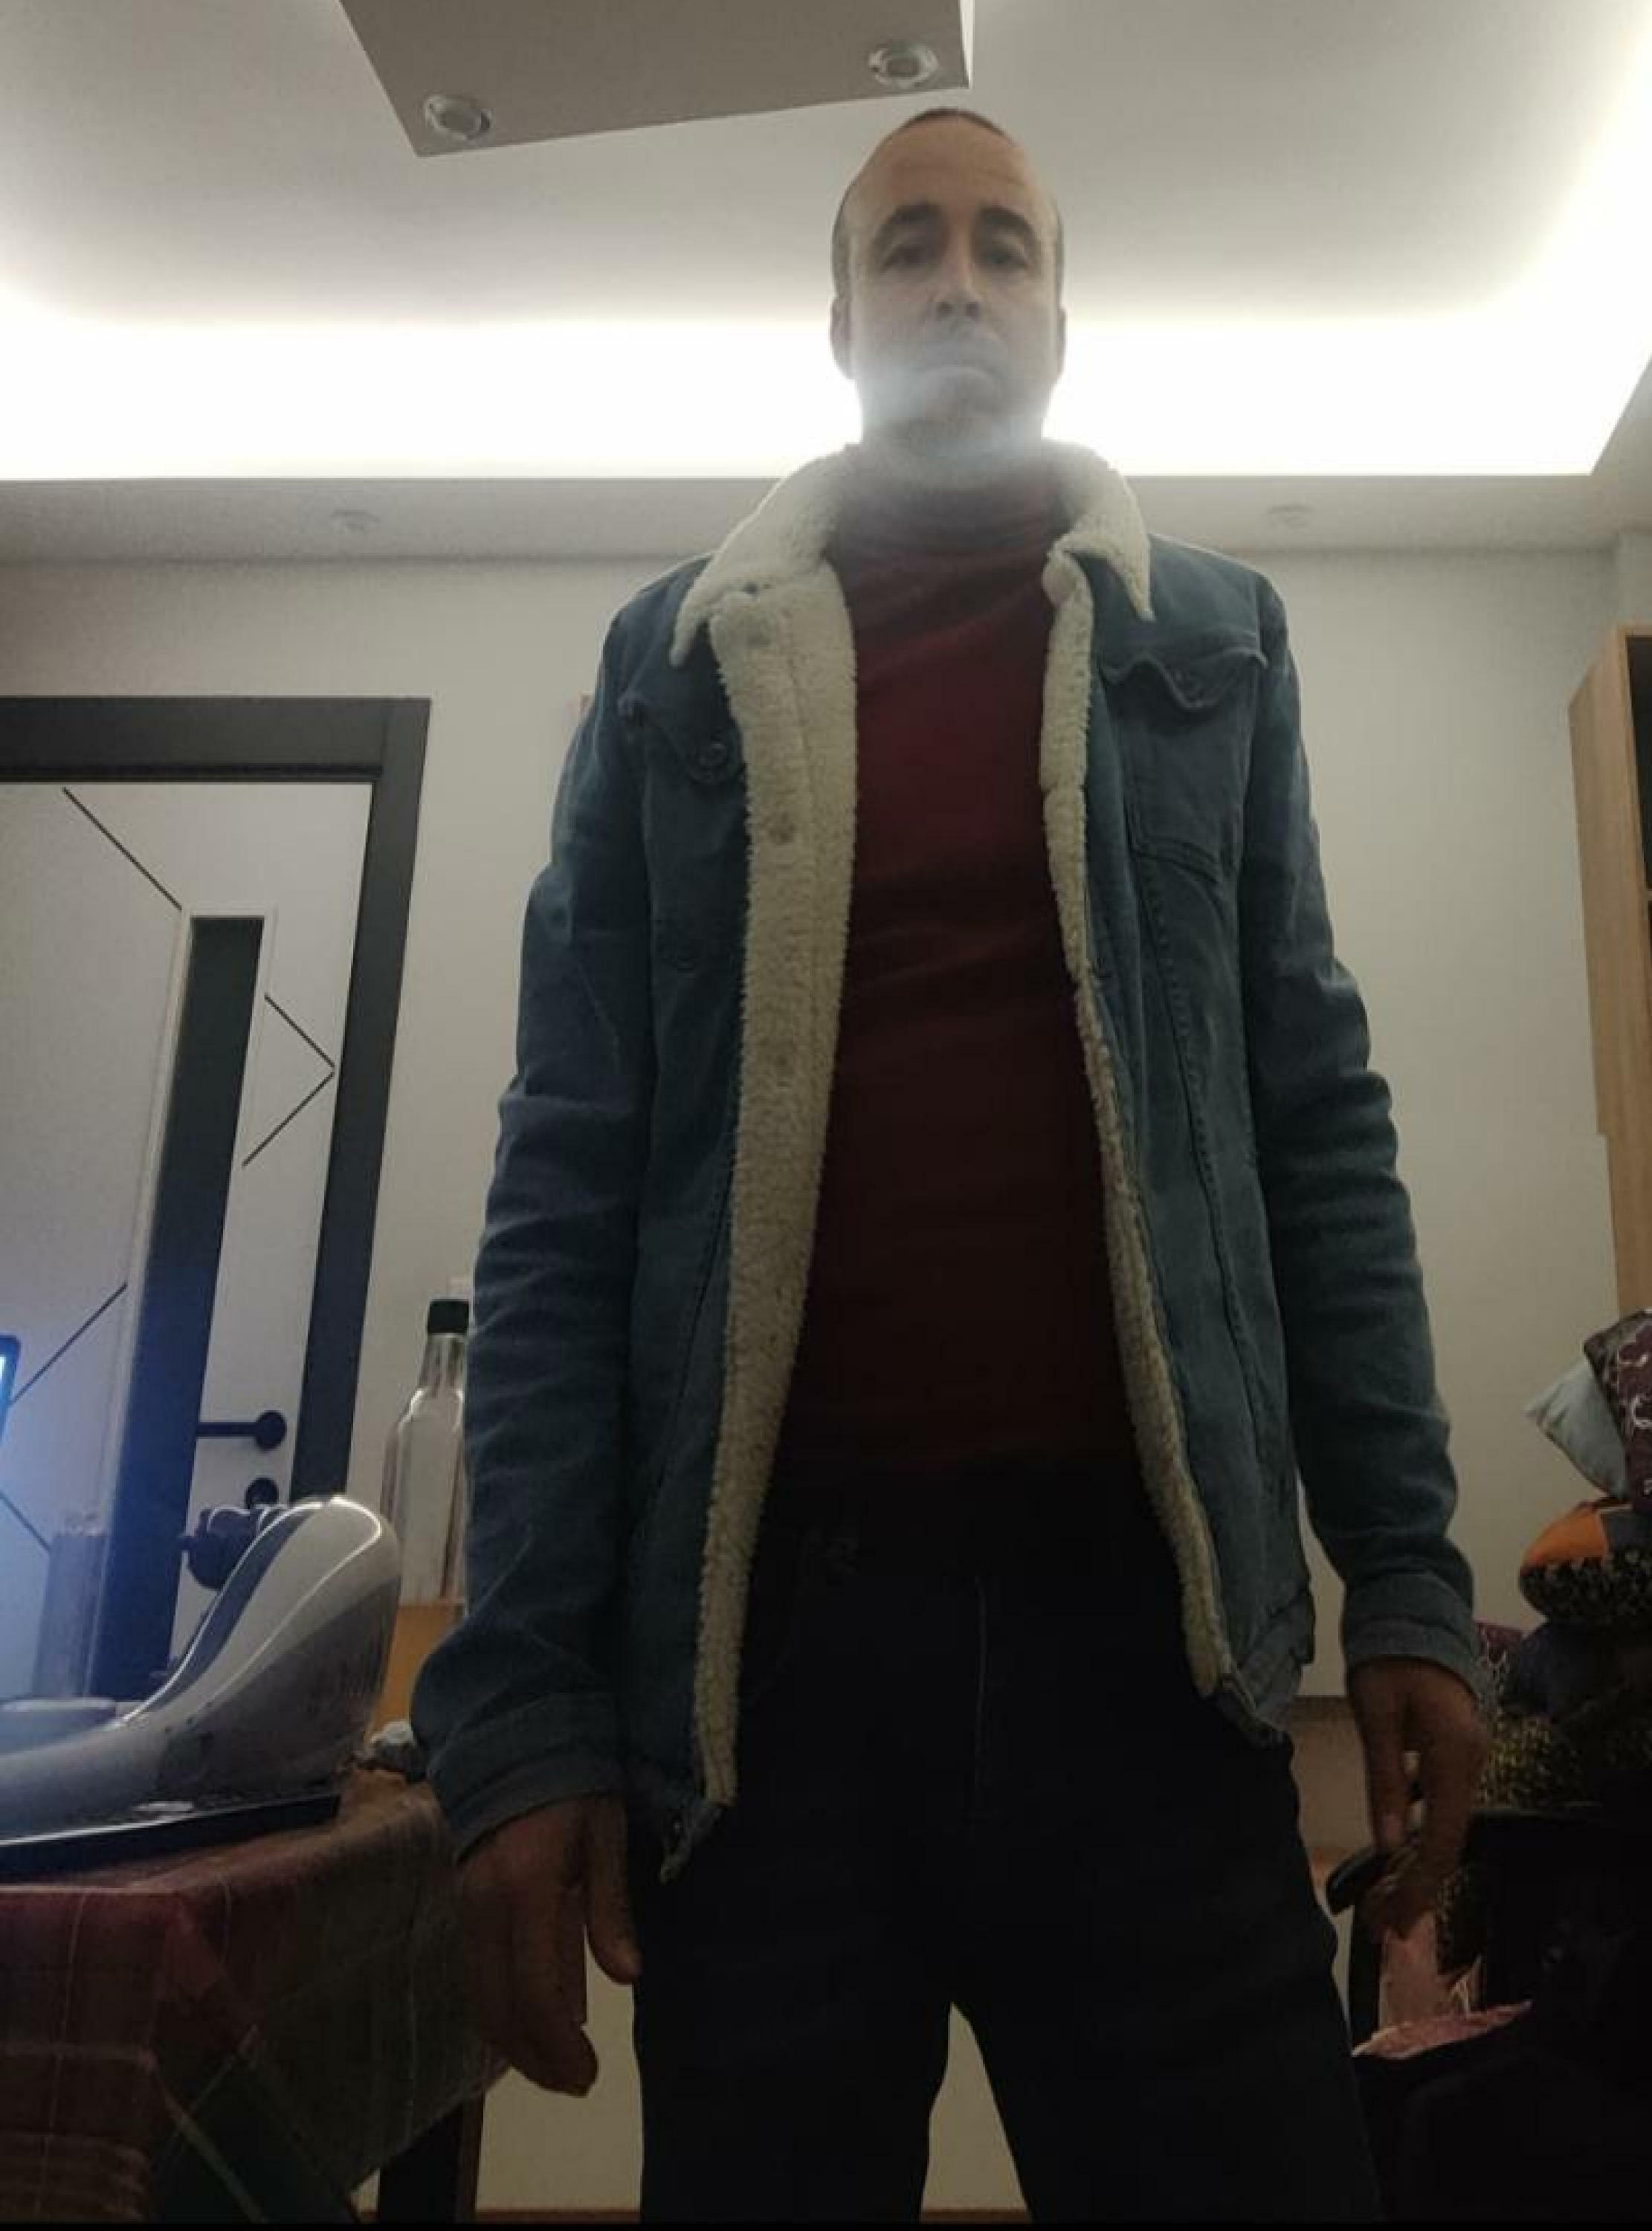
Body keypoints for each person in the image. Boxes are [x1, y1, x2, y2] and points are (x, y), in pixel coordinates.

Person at [415, 104, 1487, 2223]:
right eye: (910, 245)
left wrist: (1410, 1572)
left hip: (1157, 1643)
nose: (961, 282)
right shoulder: (670, 670)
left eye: (1007, 246)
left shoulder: (1215, 642)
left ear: (1060, 317)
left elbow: (1316, 1127)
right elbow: (567, 1189)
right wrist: (521, 1707)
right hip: (771, 1678)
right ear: (843, 318)